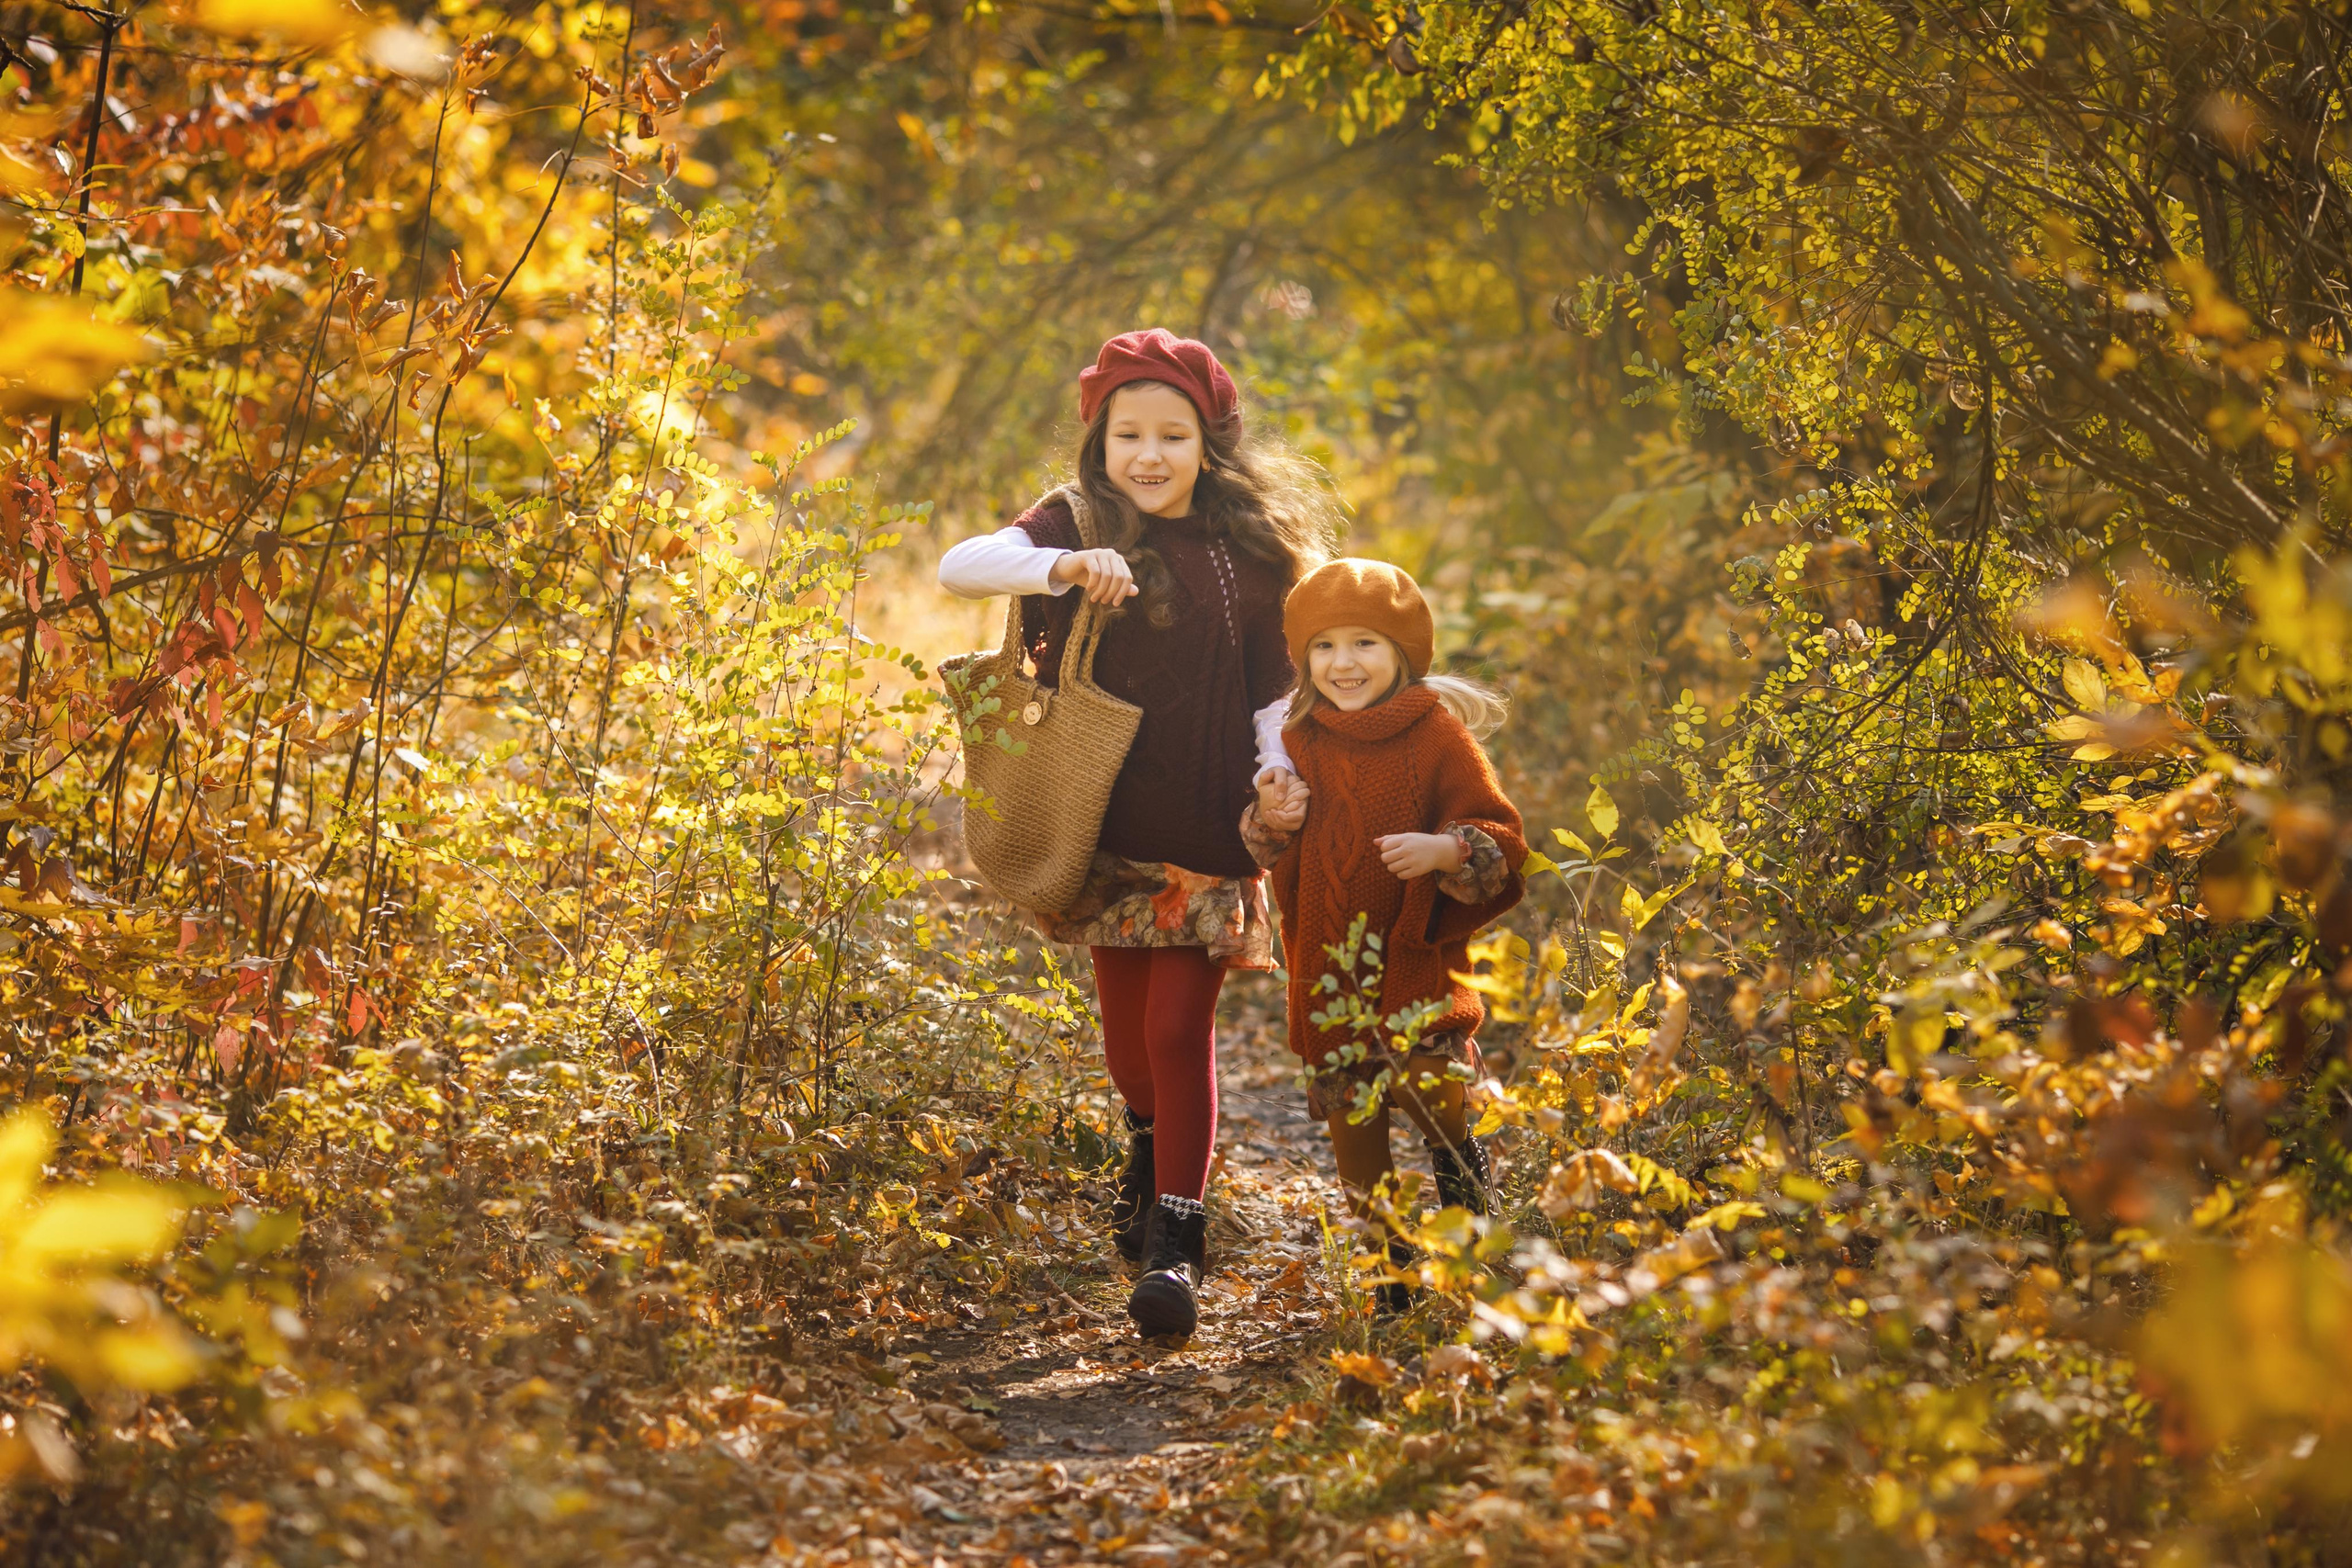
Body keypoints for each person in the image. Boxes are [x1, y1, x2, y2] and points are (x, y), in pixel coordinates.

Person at [937, 329, 1334, 1337]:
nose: (1149, 455)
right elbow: (961, 567)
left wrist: (1278, 780)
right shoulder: (1072, 521)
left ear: (1210, 443)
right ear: (1100, 441)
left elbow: (1271, 692)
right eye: (1129, 435)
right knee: (1127, 1054)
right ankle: (1148, 1149)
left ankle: (1179, 1242)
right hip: (1102, 828)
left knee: (1175, 1029)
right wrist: (1065, 565)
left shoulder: (1248, 554)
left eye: (1173, 434)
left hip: (1206, 828)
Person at [1239, 558, 1525, 1311]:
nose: (1344, 663)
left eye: (1365, 643)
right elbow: (1259, 844)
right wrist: (1275, 816)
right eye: (1325, 647)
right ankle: (1389, 1277)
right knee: (1355, 1132)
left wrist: (1447, 849)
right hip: (1327, 975)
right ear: (1303, 660)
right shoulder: (1297, 740)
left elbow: (1503, 835)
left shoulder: (1437, 734)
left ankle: (1469, 1253)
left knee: (1436, 1100)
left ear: (1402, 652)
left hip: (1416, 968)